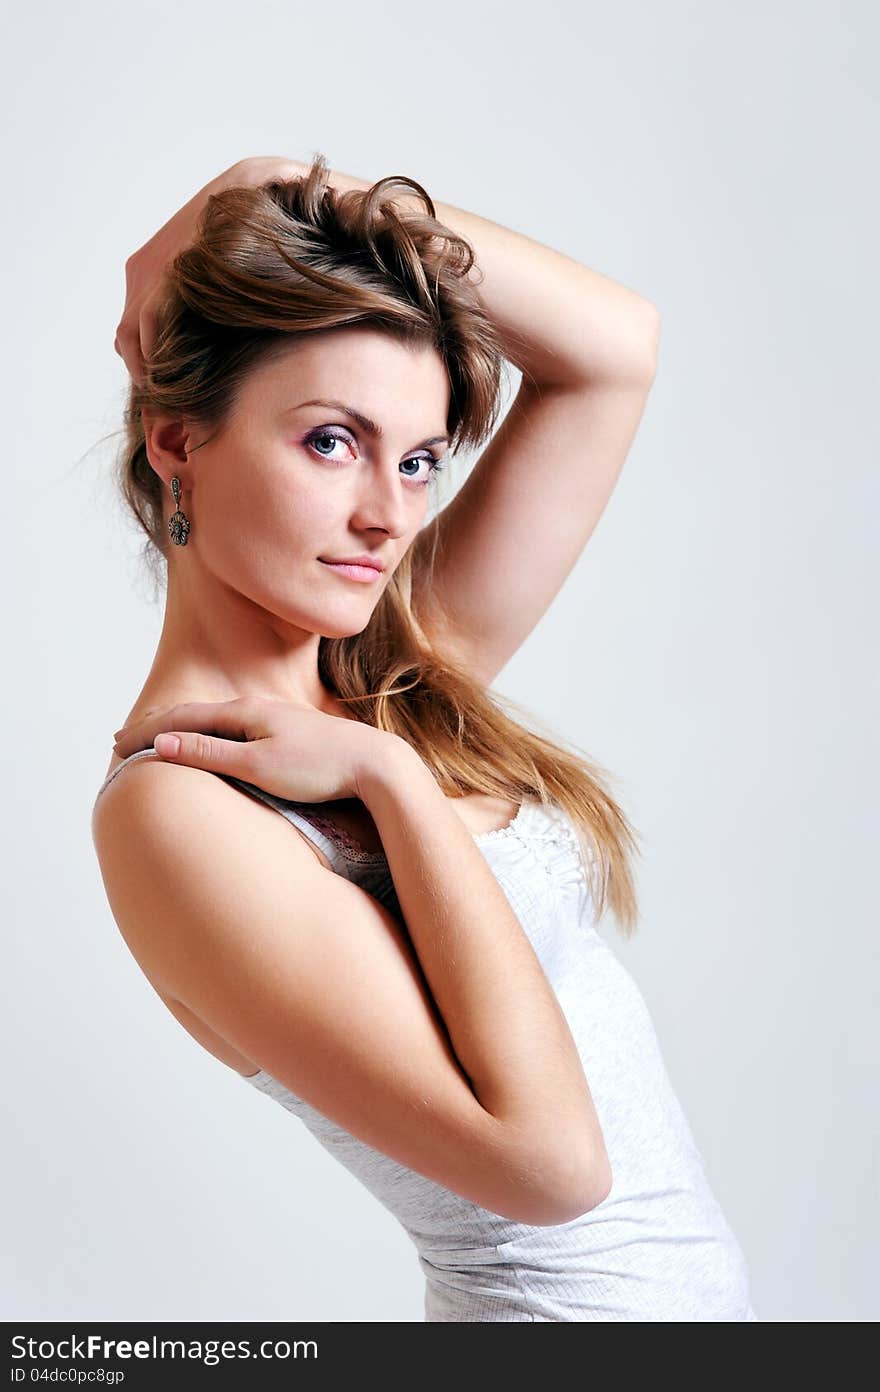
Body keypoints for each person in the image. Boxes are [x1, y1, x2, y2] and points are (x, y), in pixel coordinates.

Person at [91, 153, 757, 1321]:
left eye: (419, 460)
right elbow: (550, 1170)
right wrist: (388, 780)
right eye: (331, 442)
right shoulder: (178, 811)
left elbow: (613, 348)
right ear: (177, 440)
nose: (387, 516)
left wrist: (262, 181)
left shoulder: (398, 675)